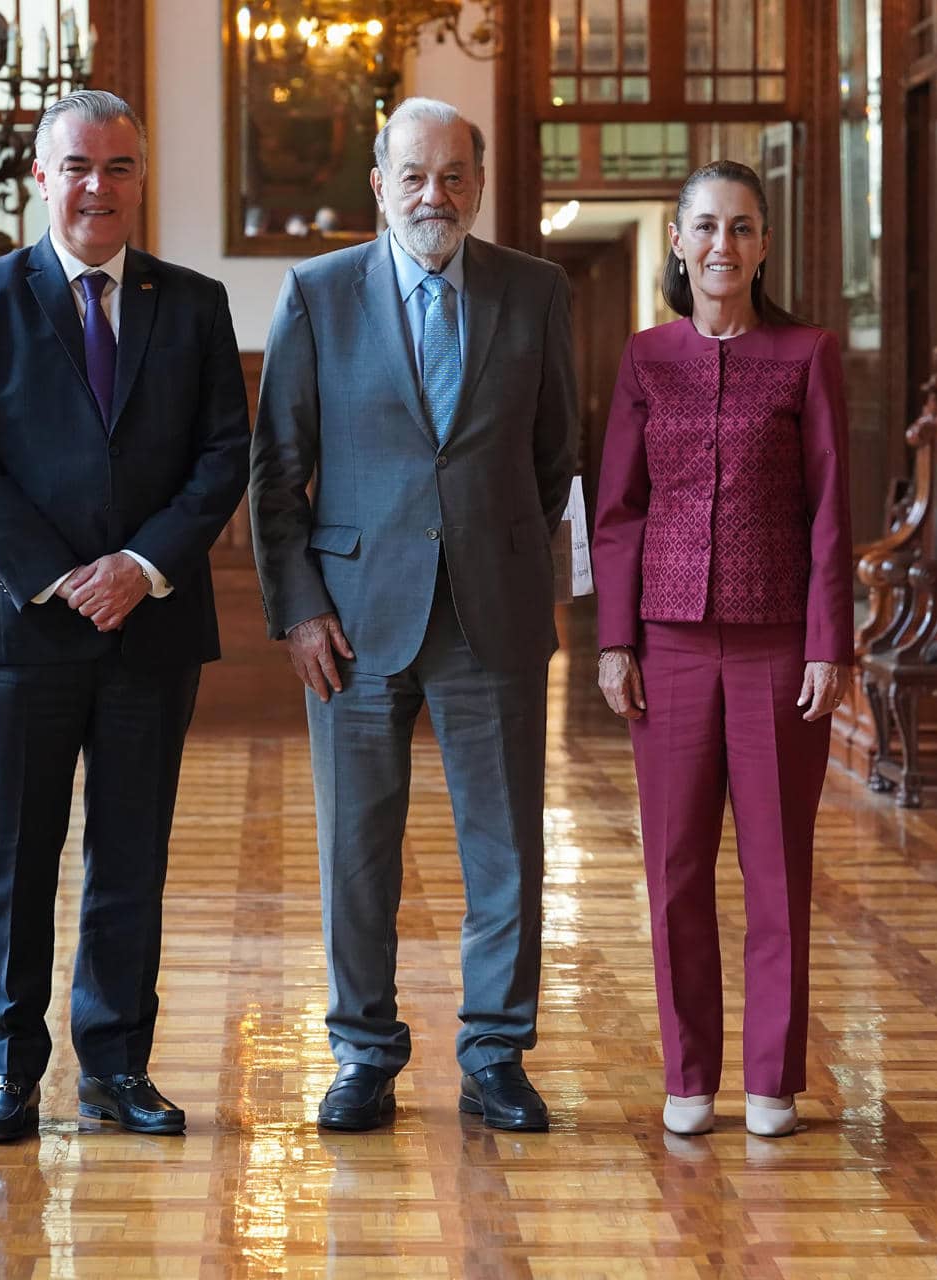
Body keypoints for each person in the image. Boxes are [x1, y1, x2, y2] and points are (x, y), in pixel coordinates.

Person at [0, 89, 250, 1144]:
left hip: (151, 624)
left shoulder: (192, 304)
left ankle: (115, 1067)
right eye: (77, 166)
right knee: (14, 860)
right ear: (41, 177)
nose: (97, 186)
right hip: (20, 630)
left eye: (117, 166)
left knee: (131, 857)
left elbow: (224, 455)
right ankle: (6, 1070)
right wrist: (66, 576)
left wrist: (140, 566)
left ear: (140, 177)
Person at [249, 97, 577, 1133]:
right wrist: (301, 609)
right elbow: (277, 470)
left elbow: (555, 451)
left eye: (453, 176)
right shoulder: (318, 293)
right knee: (356, 853)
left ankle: (495, 1054)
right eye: (414, 176)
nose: (434, 195)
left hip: (493, 612)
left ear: (478, 185)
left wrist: (499, 543)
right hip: (351, 621)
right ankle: (362, 1052)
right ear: (379, 187)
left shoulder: (536, 290)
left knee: (507, 850)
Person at [591, 160, 853, 1139]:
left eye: (741, 227)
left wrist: (829, 642)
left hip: (779, 648)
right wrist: (615, 639)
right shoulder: (646, 358)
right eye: (705, 227)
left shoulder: (807, 353)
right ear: (677, 241)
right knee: (675, 871)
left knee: (778, 871)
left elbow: (830, 507)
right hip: (667, 649)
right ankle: (689, 1074)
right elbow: (619, 511)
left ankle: (773, 1081)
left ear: (764, 244)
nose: (722, 246)